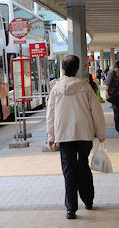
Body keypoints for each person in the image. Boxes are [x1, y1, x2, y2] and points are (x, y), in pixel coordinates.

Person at [46, 55, 106, 220]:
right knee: (83, 166)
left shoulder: (56, 89)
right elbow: (96, 111)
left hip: (64, 135)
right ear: (78, 68)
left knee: (68, 171)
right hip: (84, 133)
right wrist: (101, 133)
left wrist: (51, 136)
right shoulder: (86, 87)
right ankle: (88, 200)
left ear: (63, 69)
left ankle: (71, 209)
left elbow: (50, 114)